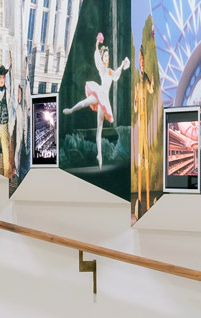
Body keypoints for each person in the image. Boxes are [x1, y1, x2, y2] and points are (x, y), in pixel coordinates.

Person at [63, 32, 130, 168]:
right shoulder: (103, 69)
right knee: (86, 102)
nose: (107, 57)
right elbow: (97, 61)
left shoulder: (110, 71)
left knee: (99, 128)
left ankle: (99, 155)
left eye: (108, 56)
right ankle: (71, 110)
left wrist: (123, 64)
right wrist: (97, 44)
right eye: (105, 55)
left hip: (104, 99)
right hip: (99, 93)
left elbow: (116, 75)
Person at [134, 45, 155, 213]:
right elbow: (134, 107)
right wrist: (135, 99)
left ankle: (148, 202)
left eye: (143, 60)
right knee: (140, 158)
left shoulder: (146, 77)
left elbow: (151, 90)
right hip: (139, 122)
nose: (141, 63)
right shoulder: (137, 81)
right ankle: (140, 201)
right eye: (140, 60)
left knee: (146, 157)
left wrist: (152, 84)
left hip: (145, 120)